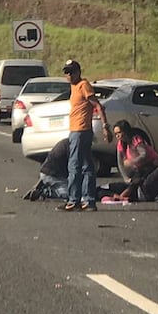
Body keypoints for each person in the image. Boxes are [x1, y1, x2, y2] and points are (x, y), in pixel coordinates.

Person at [62, 59, 111, 211]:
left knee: (74, 165)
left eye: (71, 72)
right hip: (78, 130)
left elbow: (98, 106)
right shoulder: (74, 86)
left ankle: (74, 200)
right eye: (66, 73)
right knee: (87, 165)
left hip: (80, 130)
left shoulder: (83, 85)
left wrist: (105, 126)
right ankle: (89, 200)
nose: (68, 75)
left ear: (78, 72)